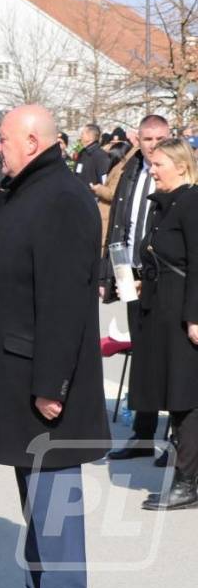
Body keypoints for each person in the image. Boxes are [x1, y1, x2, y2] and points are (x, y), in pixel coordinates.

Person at [0, 105, 109, 588]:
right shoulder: (29, 191)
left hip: (45, 375)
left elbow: (63, 300)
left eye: (3, 139)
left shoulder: (60, 197)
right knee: (36, 497)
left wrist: (51, 384)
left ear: (32, 141)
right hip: (21, 366)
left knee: (55, 494)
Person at [128, 138, 198, 510]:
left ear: (181, 166)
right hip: (161, 309)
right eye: (151, 165)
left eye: (158, 165)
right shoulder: (164, 205)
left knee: (187, 399)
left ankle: (188, 484)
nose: (152, 170)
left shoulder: (191, 202)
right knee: (176, 396)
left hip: (182, 312)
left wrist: (195, 316)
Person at [101, 115, 171, 463]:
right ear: (137, 138)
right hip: (128, 270)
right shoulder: (131, 170)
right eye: (147, 138)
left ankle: (178, 442)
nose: (153, 144)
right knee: (142, 354)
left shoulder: (180, 174)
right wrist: (107, 273)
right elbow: (118, 220)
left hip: (164, 276)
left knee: (170, 357)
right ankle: (142, 434)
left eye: (160, 137)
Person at [90, 141, 133, 249]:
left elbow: (113, 193)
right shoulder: (117, 167)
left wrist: (99, 189)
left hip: (108, 213)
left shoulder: (119, 170)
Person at [75, 123, 111, 187]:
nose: (80, 136)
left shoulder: (100, 156)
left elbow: (104, 180)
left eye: (83, 133)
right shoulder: (82, 153)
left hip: (92, 195)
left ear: (90, 136)